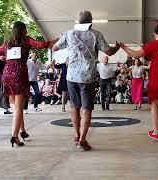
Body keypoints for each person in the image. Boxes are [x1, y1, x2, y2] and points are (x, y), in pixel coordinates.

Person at [52, 10, 120, 151]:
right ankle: (82, 140)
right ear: (90, 22)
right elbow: (109, 52)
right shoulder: (95, 35)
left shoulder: (69, 34)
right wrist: (118, 47)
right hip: (87, 77)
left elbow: (54, 48)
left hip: (71, 76)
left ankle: (76, 135)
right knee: (87, 109)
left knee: (75, 107)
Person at [0, 21, 57, 147]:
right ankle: (14, 136)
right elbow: (43, 44)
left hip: (7, 74)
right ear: (23, 30)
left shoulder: (8, 42)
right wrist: (58, 39)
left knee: (15, 107)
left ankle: (22, 131)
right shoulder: (26, 40)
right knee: (19, 108)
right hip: (19, 74)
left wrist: (5, 56)